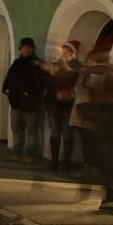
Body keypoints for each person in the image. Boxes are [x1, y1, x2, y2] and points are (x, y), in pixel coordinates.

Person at [71, 47, 113, 214]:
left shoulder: (96, 81)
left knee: (109, 165)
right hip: (111, 132)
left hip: (108, 131)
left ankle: (109, 195)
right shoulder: (109, 85)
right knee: (111, 166)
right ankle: (108, 200)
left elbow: (84, 105)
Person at [2, 36, 46, 162]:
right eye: (24, 48)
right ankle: (16, 153)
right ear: (20, 49)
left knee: (32, 130)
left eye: (29, 48)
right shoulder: (17, 63)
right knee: (16, 129)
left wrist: (29, 92)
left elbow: (40, 82)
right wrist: (6, 88)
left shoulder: (37, 64)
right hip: (16, 102)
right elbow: (9, 78)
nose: (26, 50)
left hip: (31, 104)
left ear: (32, 49)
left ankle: (31, 155)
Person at [44, 40, 81, 171]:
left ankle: (66, 163)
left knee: (67, 133)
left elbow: (76, 81)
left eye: (66, 50)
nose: (63, 52)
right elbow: (50, 81)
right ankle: (54, 161)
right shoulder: (57, 64)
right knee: (54, 132)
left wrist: (66, 69)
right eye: (63, 49)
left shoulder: (76, 66)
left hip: (67, 105)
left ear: (72, 52)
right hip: (53, 103)